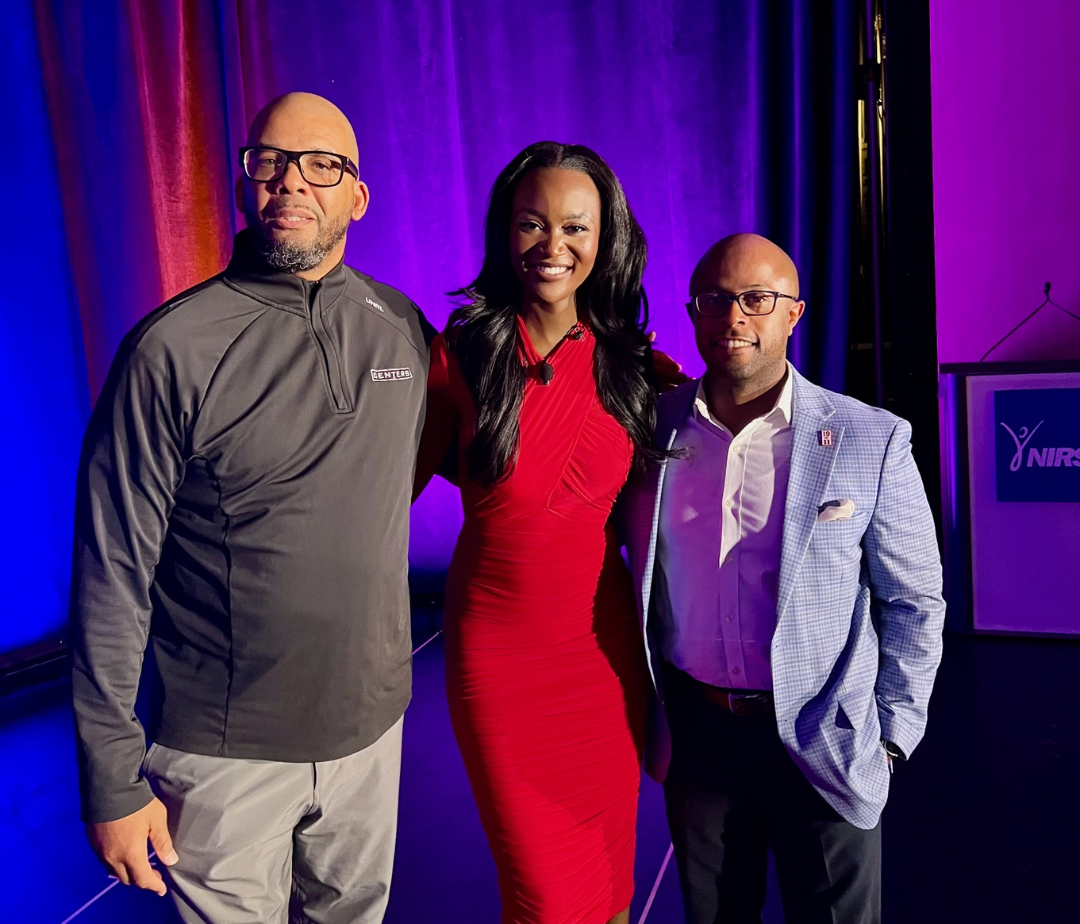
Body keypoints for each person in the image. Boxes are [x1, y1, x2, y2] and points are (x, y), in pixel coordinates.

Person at [72, 92, 432, 924]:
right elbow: (112, 571)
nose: (291, 181)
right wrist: (110, 776)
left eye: (321, 165)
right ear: (244, 182)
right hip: (223, 757)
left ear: (357, 196)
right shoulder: (171, 349)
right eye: (269, 160)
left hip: (373, 735)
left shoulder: (402, 330)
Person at [619, 233, 945, 924]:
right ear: (694, 312)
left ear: (793, 313)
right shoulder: (650, 429)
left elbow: (915, 600)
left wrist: (892, 736)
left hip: (825, 735)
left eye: (756, 299)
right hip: (699, 739)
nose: (733, 317)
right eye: (714, 300)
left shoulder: (870, 437)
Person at [415, 142, 664, 924]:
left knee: (609, 892)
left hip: (602, 658)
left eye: (575, 226)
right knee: (544, 901)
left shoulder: (643, 370)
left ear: (605, 237)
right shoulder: (459, 355)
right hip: (499, 665)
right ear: (504, 231)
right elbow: (390, 487)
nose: (552, 245)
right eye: (532, 223)